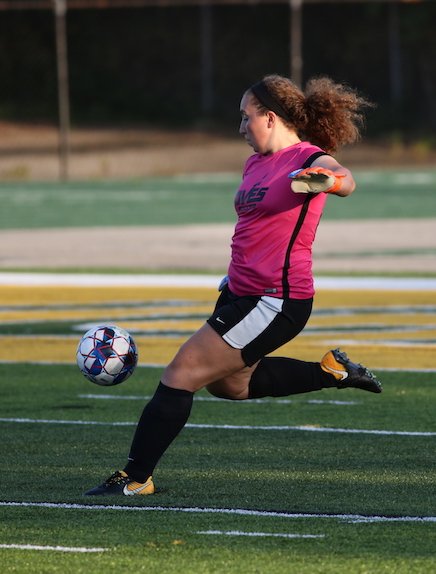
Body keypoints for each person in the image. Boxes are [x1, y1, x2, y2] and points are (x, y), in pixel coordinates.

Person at [84, 74, 380, 496]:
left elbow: (344, 178)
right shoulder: (256, 162)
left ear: (271, 118)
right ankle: (330, 371)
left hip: (276, 300)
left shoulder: (309, 157)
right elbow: (255, 228)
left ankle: (136, 478)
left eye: (246, 118)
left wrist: (327, 181)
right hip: (240, 290)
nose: (241, 127)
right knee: (230, 385)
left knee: (181, 372)